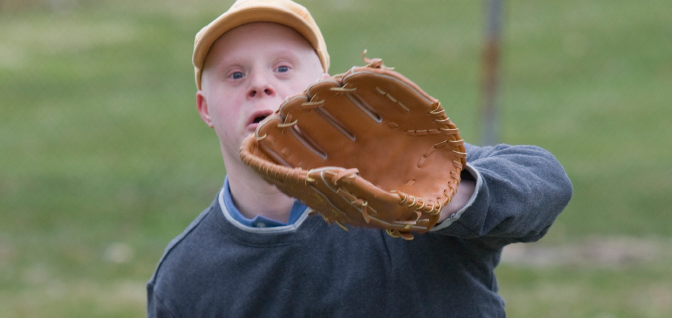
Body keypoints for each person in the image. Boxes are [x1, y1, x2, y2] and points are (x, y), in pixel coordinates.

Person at [147, 0, 573, 317]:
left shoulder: (410, 177)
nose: (260, 84)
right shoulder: (187, 275)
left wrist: (443, 201)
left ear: (325, 87)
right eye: (235, 74)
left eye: (282, 68)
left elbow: (548, 184)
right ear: (205, 108)